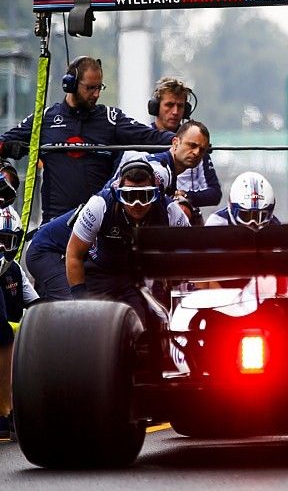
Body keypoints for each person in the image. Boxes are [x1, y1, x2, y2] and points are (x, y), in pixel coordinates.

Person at [0, 56, 174, 222]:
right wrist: (10, 153)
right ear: (70, 85)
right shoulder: (44, 119)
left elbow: (152, 138)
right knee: (36, 254)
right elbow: (2, 143)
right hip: (55, 223)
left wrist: (183, 141)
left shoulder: (111, 118)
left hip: (98, 224)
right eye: (90, 88)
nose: (97, 94)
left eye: (100, 87)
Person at [65, 160, 190, 320]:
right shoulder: (99, 205)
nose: (137, 204)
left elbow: (187, 252)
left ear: (156, 194)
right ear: (118, 194)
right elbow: (74, 254)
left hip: (136, 277)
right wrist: (81, 299)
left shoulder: (170, 211)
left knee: (146, 324)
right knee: (93, 323)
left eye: (145, 196)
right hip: (99, 272)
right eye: (129, 196)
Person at [148, 77, 221, 223]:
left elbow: (215, 193)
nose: (175, 112)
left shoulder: (197, 144)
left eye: (180, 106)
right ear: (156, 107)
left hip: (188, 217)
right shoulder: (141, 141)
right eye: (169, 105)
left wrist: (185, 196)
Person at [0, 207, 39, 439]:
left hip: (11, 353)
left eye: (7, 241)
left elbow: (36, 306)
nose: (2, 248)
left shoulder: (15, 270)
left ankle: (17, 410)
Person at [113, 119, 211, 199]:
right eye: (192, 145)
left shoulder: (167, 169)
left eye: (202, 149)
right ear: (175, 143)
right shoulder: (162, 171)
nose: (197, 152)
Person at [206, 171, 280, 228]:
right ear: (232, 208)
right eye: (245, 215)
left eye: (261, 216)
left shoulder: (275, 228)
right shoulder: (217, 223)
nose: (252, 224)